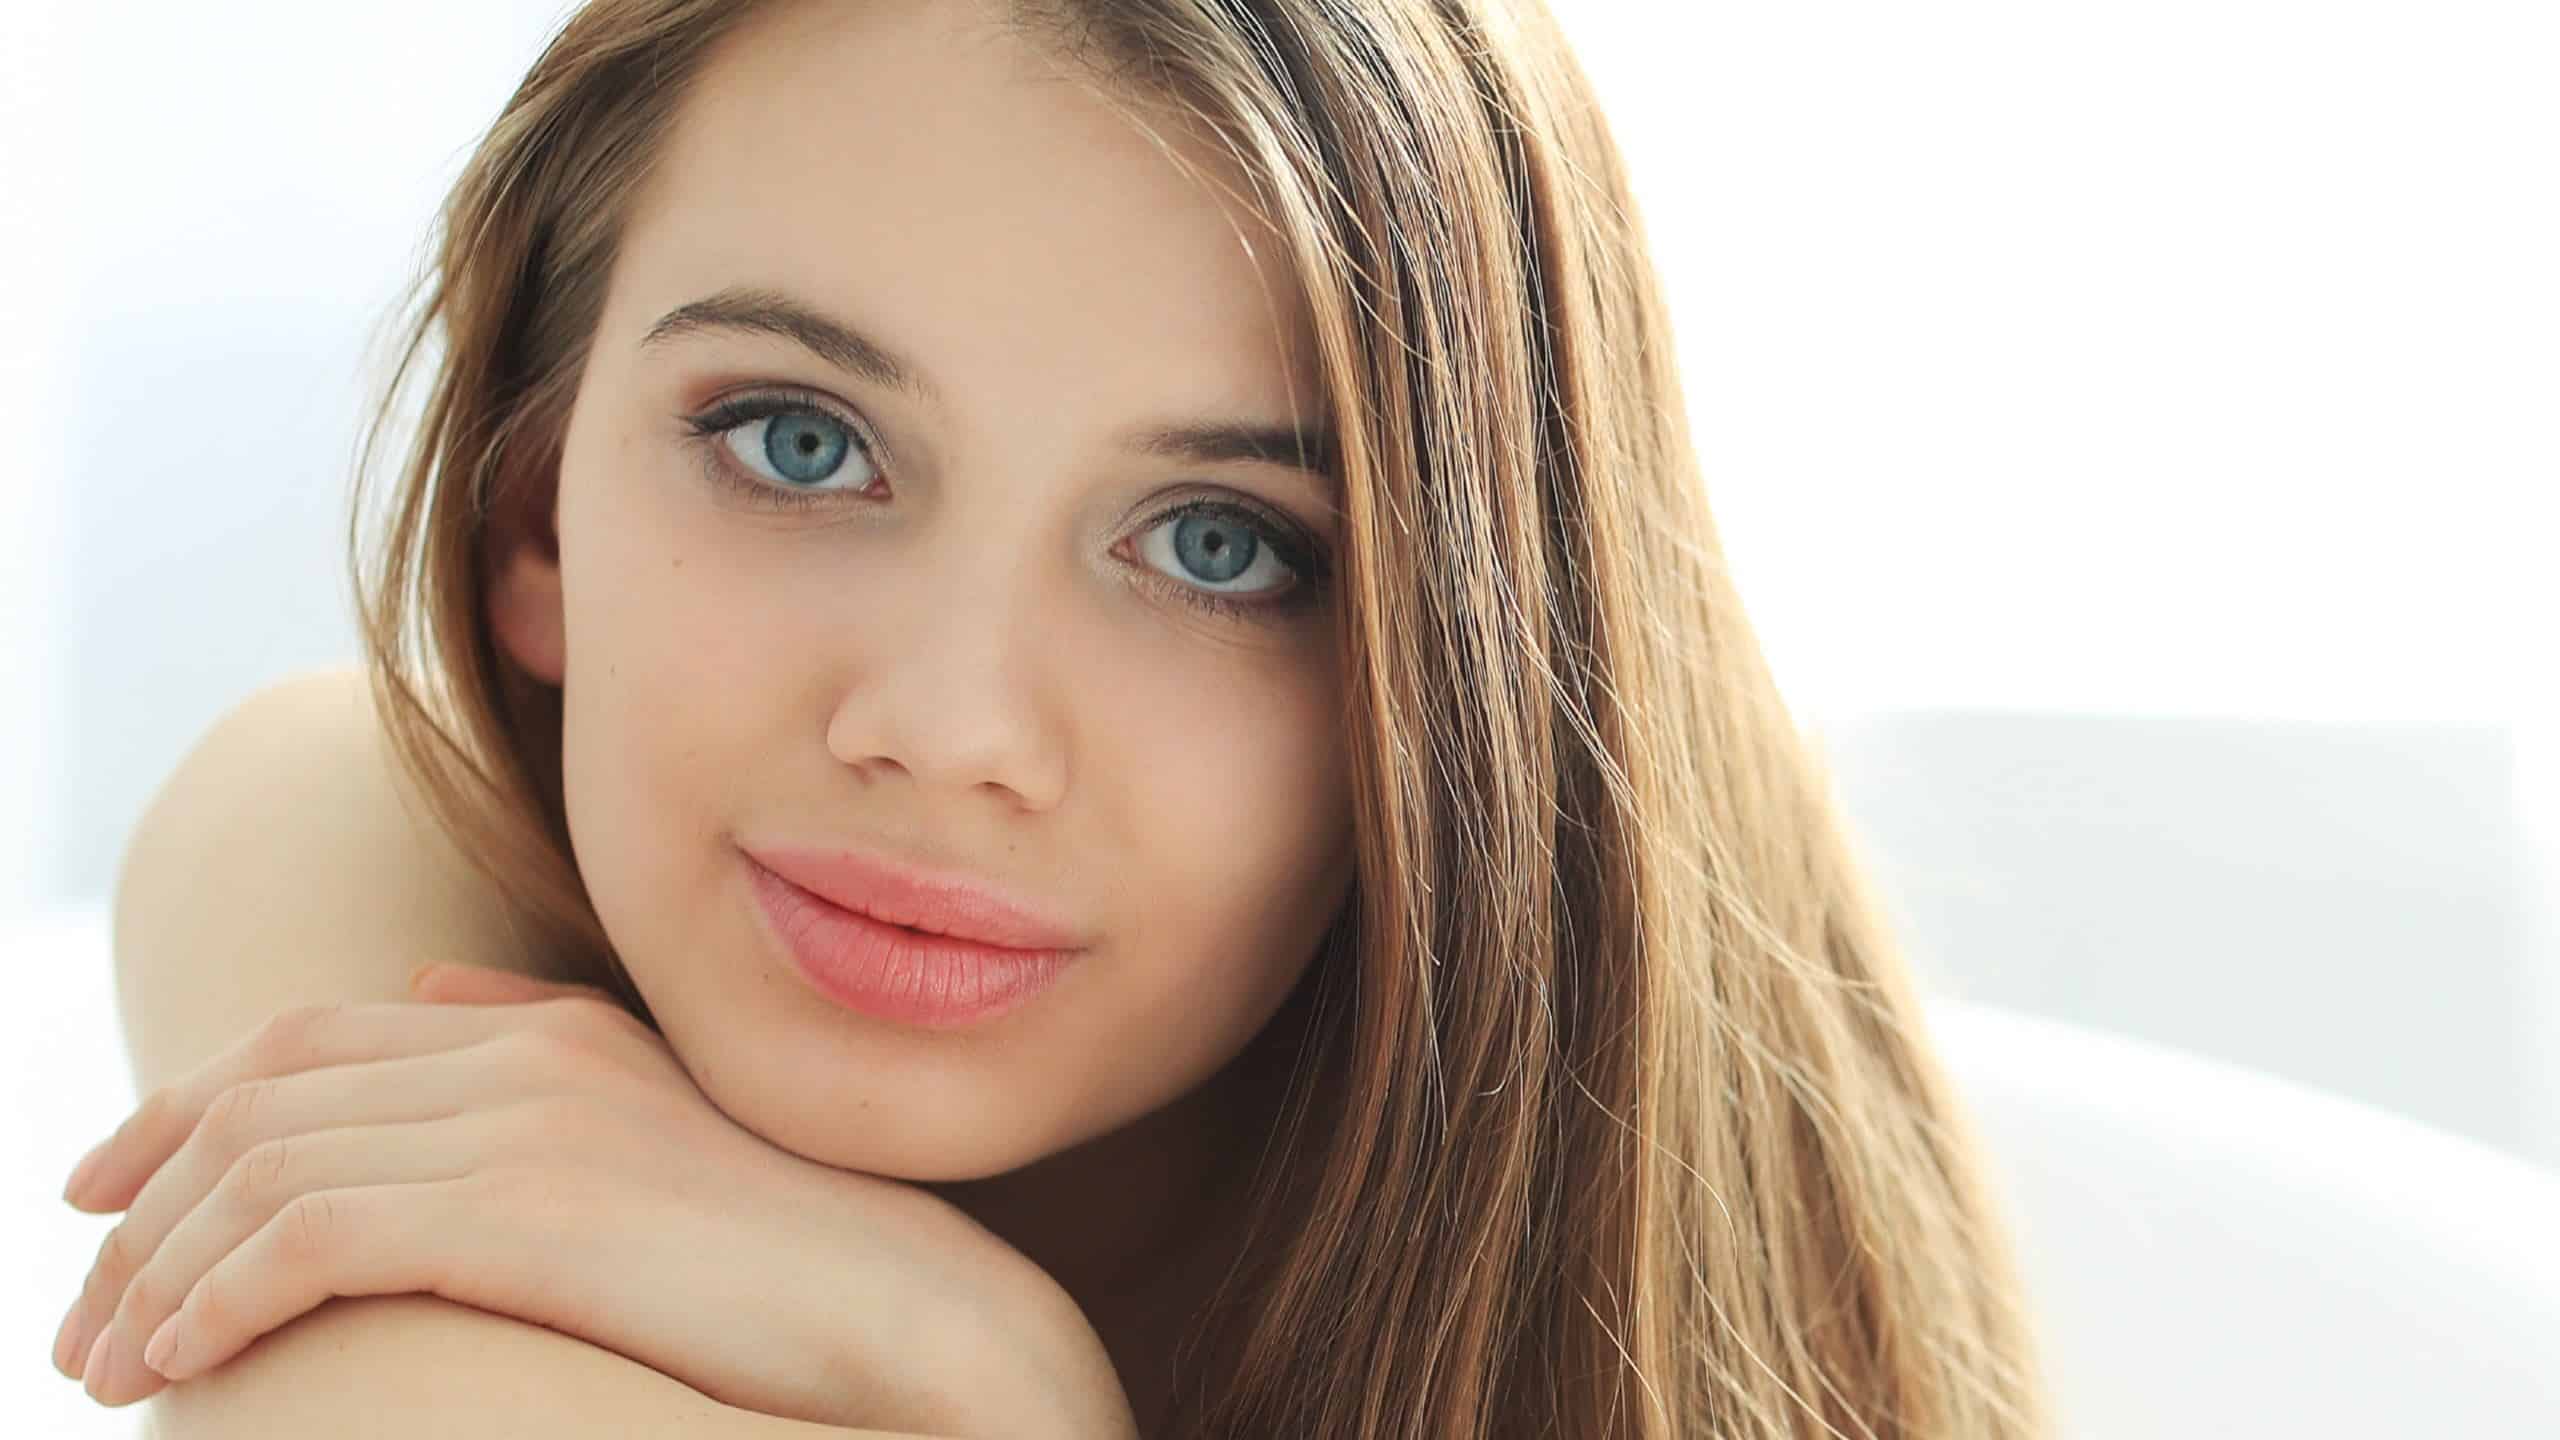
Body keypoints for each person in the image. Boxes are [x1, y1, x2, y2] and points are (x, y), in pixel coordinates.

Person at [64, 0, 2060, 1435]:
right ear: (535, 516)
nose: (945, 728)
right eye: (795, 439)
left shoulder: (1697, 1268)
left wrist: (991, 1392)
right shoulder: (348, 835)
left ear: (1466, 677)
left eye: (1217, 547)